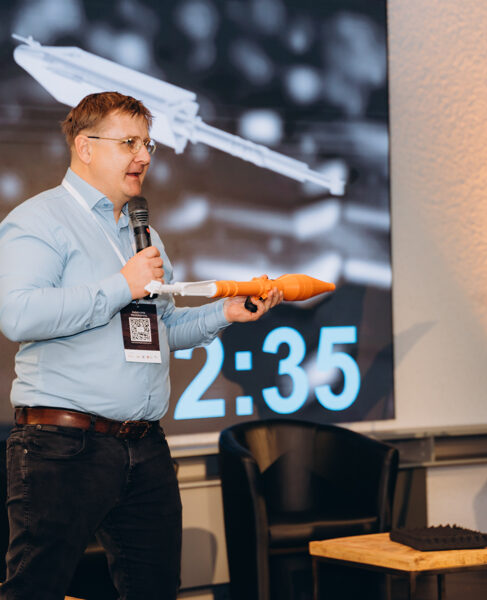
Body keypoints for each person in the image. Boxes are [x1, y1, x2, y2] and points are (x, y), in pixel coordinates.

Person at [0, 91, 282, 600]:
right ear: (85, 147)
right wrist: (121, 285)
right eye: (128, 142)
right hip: (63, 446)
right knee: (36, 590)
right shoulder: (38, 220)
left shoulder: (142, 233)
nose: (144, 156)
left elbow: (161, 329)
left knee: (155, 590)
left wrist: (225, 313)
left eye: (147, 143)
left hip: (143, 446)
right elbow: (18, 315)